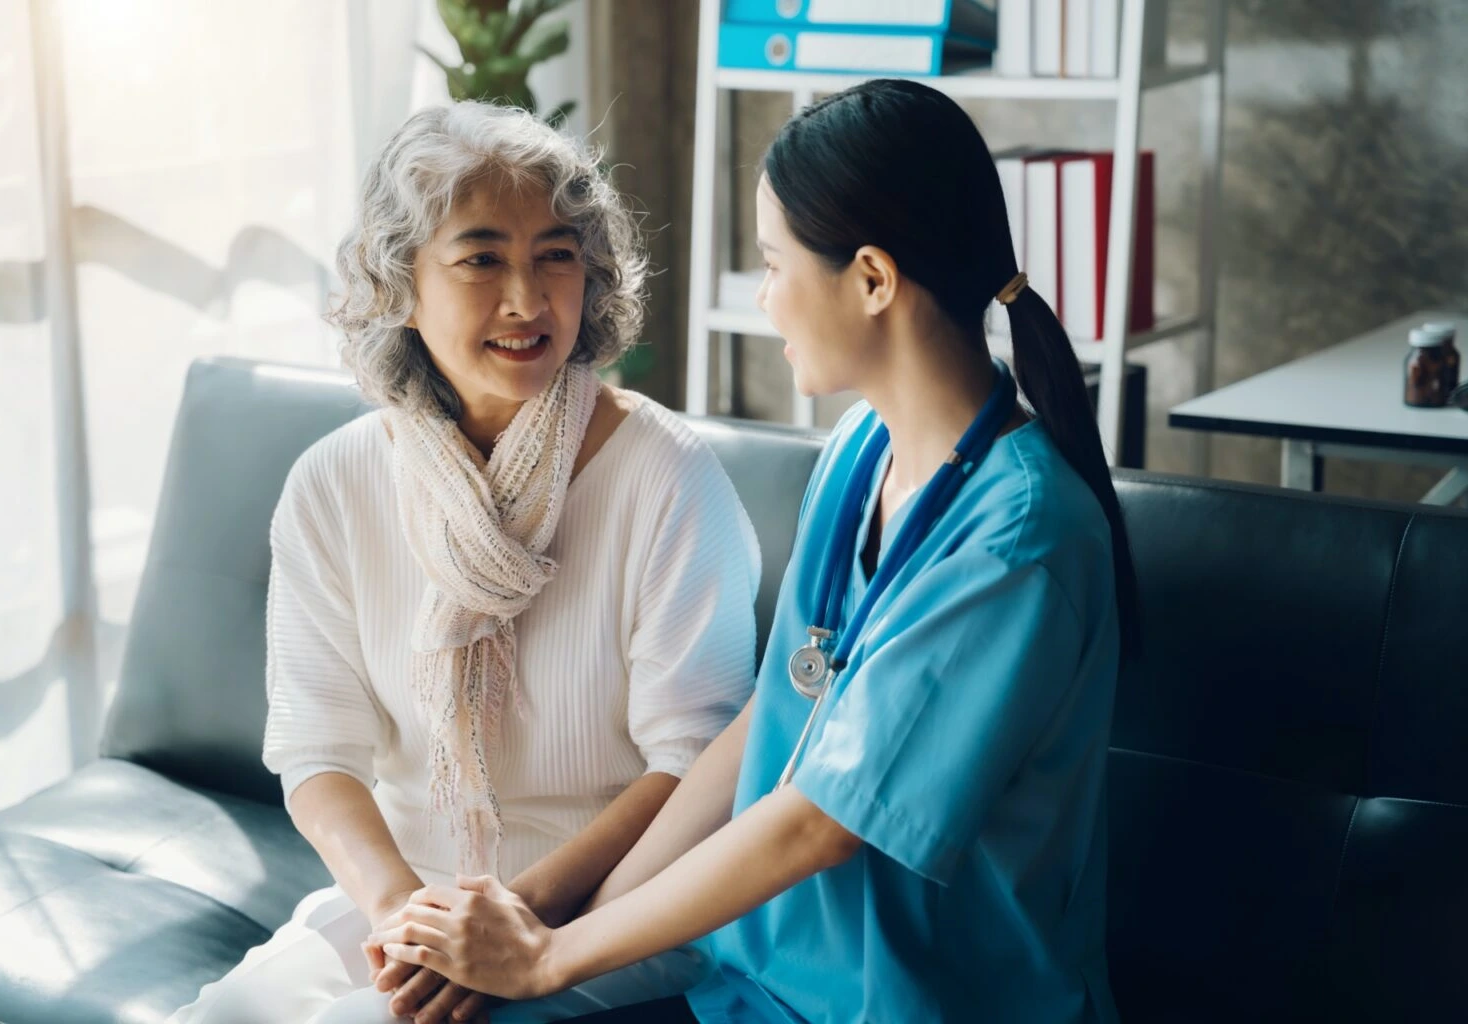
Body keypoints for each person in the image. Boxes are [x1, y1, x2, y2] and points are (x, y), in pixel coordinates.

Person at [363, 78, 1140, 1023]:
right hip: (756, 987)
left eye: (773, 265)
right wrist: (564, 945)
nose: (764, 300)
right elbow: (768, 720)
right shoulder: (860, 455)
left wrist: (555, 959)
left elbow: (820, 824)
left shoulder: (1022, 540)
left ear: (871, 279)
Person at [168, 101, 761, 1024]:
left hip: (608, 921)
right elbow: (318, 751)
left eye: (557, 255)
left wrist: (508, 923)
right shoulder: (335, 482)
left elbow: (694, 765)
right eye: (482, 257)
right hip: (408, 899)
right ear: (399, 282)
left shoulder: (668, 478)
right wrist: (407, 912)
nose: (527, 300)